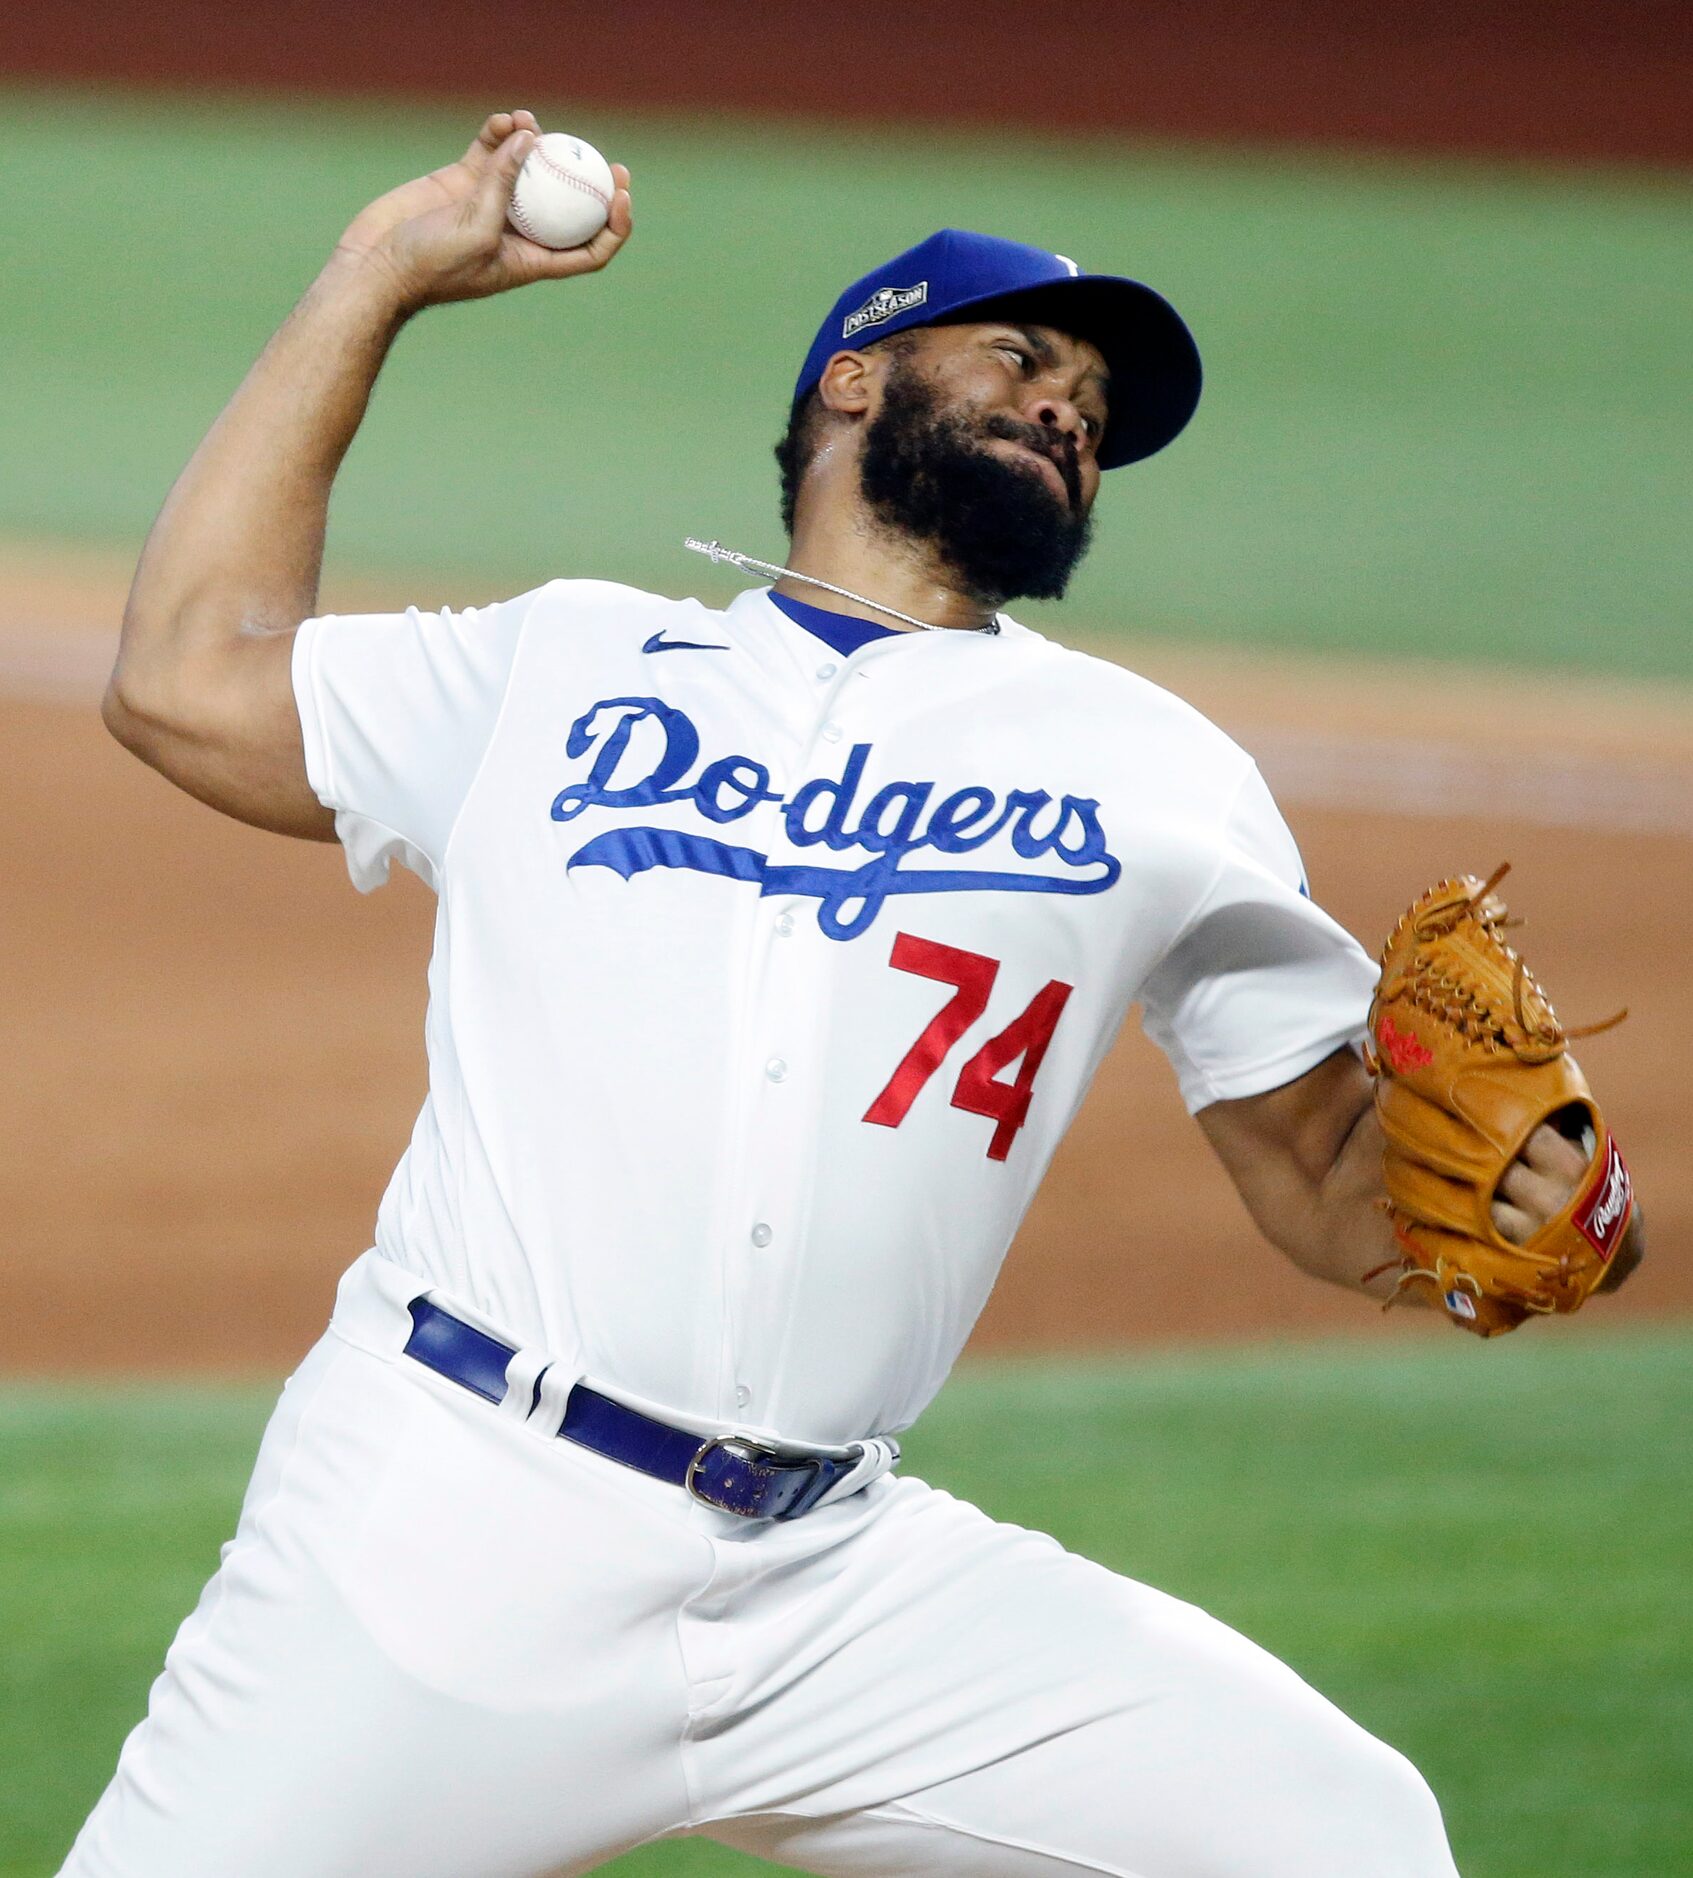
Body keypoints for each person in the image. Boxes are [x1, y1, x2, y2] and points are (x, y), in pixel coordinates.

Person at [68, 111, 1638, 1878]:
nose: (1067, 409)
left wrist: (1536, 1198)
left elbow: (1328, 1179)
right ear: (852, 381)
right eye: (1021, 360)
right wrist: (377, 278)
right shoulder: (562, 663)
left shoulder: (1154, 769)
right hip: (444, 1524)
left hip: (830, 1587)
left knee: (1337, 1833)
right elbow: (186, 673)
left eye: (1096, 416)